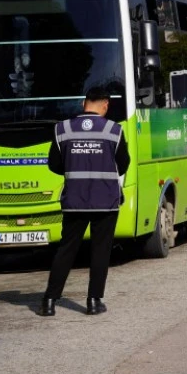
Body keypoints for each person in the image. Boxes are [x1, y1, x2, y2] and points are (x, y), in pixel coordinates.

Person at [40, 87, 130, 317]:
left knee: (66, 250)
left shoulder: (62, 129)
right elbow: (124, 163)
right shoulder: (114, 130)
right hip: (105, 201)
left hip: (75, 200)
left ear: (84, 104)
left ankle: (49, 301)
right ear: (106, 105)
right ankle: (93, 301)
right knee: (100, 251)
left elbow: (54, 164)